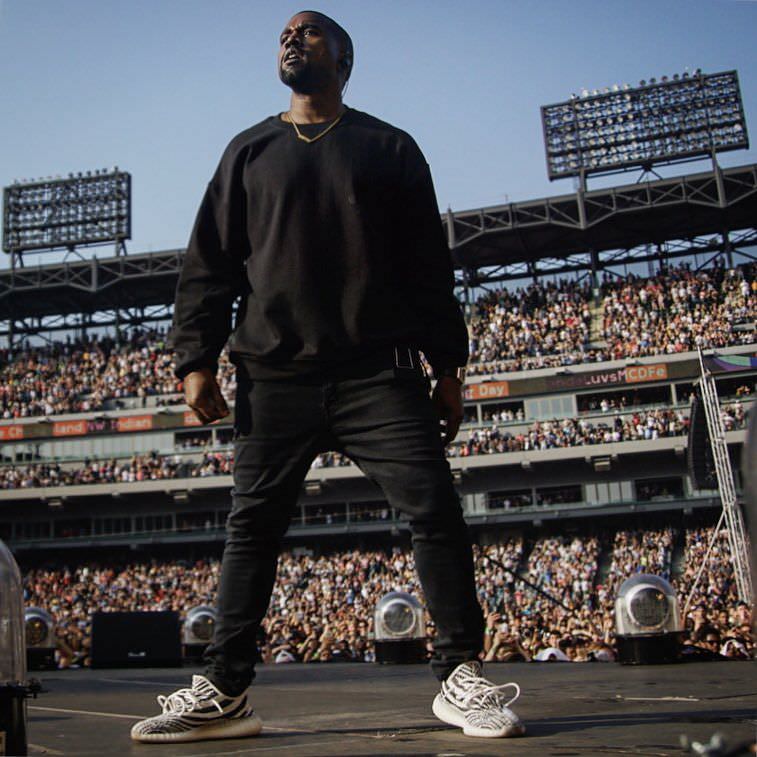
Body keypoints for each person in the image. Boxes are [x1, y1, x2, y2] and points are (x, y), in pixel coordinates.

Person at [131, 10, 524, 744]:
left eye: (309, 31)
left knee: (433, 509)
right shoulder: (248, 151)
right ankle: (224, 689)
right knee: (252, 527)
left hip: (379, 371)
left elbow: (428, 270)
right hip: (273, 375)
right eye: (284, 32)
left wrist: (450, 368)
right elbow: (208, 265)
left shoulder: (388, 146)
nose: (290, 37)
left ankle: (459, 674)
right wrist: (194, 359)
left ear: (342, 58)